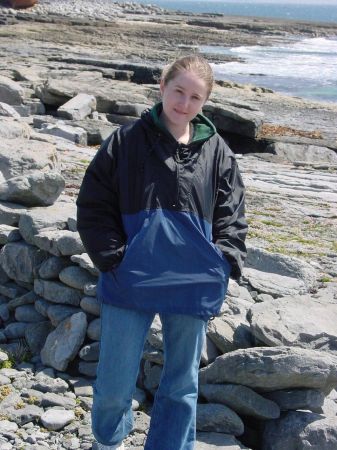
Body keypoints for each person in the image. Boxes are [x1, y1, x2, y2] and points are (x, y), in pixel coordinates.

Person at [76, 55, 247, 450]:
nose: (184, 104)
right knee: (115, 382)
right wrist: (114, 258)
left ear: (205, 102)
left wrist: (223, 262)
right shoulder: (125, 141)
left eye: (195, 97)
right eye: (178, 92)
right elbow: (94, 203)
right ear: (162, 87)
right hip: (131, 277)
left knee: (181, 383)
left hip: (193, 280)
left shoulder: (217, 151)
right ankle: (108, 441)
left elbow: (232, 213)